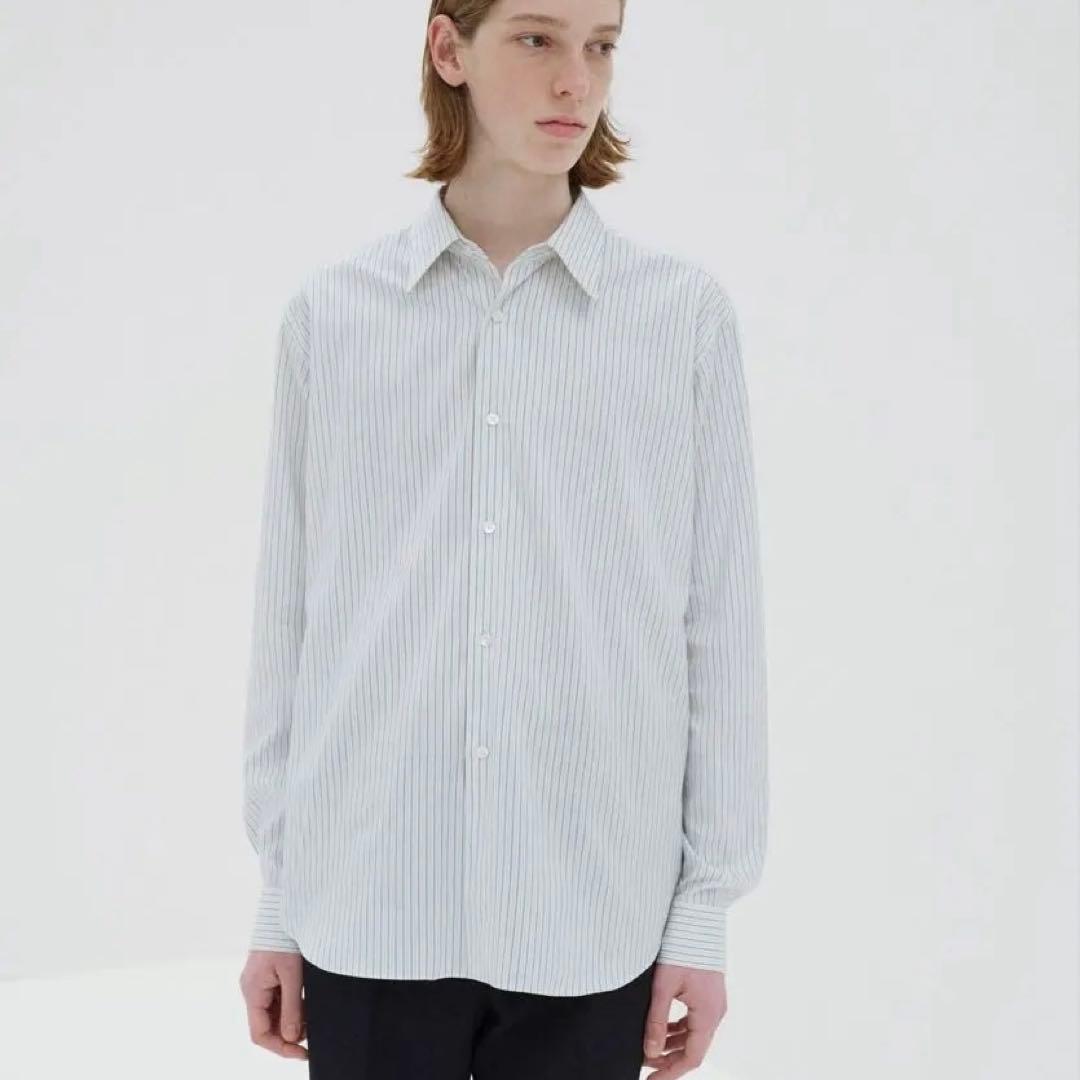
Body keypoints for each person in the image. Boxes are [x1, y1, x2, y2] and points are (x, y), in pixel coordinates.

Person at [237, 1, 769, 1077]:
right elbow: (294, 624)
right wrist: (280, 901)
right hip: (368, 910)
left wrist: (703, 915)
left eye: (601, 45)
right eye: (537, 38)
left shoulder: (680, 319)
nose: (577, 80)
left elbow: (720, 627)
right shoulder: (334, 317)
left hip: (593, 918)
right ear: (450, 49)